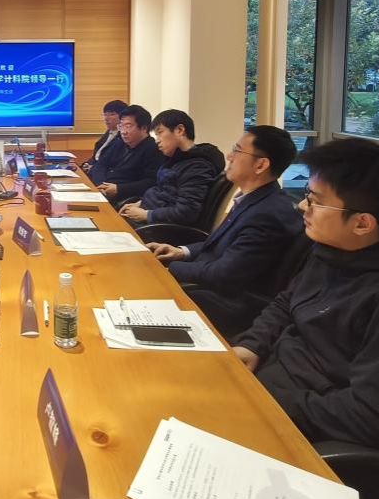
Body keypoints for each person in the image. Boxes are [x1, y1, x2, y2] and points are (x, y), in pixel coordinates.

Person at [231, 139, 379, 454]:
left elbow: (376, 419)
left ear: (362, 223)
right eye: (306, 195)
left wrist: (271, 402)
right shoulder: (331, 252)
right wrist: (252, 344)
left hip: (301, 435)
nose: (302, 207)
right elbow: (287, 302)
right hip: (266, 387)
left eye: (315, 201)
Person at [149, 126, 303, 336]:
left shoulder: (268, 214)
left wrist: (171, 269)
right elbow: (220, 243)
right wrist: (181, 251)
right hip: (205, 285)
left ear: (261, 164)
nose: (229, 156)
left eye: (237, 150)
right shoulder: (255, 199)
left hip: (222, 304)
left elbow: (225, 274)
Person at [119, 109, 224, 227]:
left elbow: (186, 212)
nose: (157, 140)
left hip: (159, 228)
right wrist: (140, 203)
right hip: (150, 217)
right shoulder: (177, 160)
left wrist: (146, 215)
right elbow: (163, 192)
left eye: (160, 132)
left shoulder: (197, 167)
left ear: (180, 130)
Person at [88, 104, 163, 203]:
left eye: (128, 126)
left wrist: (119, 189)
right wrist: (101, 185)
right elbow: (100, 164)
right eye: (121, 126)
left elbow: (151, 182)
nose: (123, 132)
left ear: (144, 128)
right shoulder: (119, 143)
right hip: (103, 191)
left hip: (124, 198)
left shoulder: (153, 149)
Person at [81, 100, 127, 172]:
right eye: (105, 114)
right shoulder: (109, 132)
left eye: (112, 114)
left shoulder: (124, 137)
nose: (106, 118)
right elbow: (97, 155)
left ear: (123, 117)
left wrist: (93, 168)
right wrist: (87, 164)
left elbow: (114, 163)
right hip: (94, 169)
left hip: (104, 174)